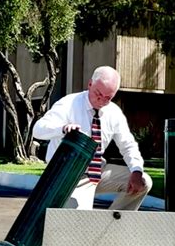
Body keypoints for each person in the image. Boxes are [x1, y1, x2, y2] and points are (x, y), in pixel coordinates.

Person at [33, 66, 152, 211]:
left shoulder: (113, 112)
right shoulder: (69, 104)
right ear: (90, 84)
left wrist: (136, 170)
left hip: (98, 171)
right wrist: (62, 129)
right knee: (80, 219)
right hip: (68, 174)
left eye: (108, 98)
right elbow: (38, 130)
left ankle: (114, 225)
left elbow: (128, 145)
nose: (101, 100)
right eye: (98, 94)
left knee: (144, 181)